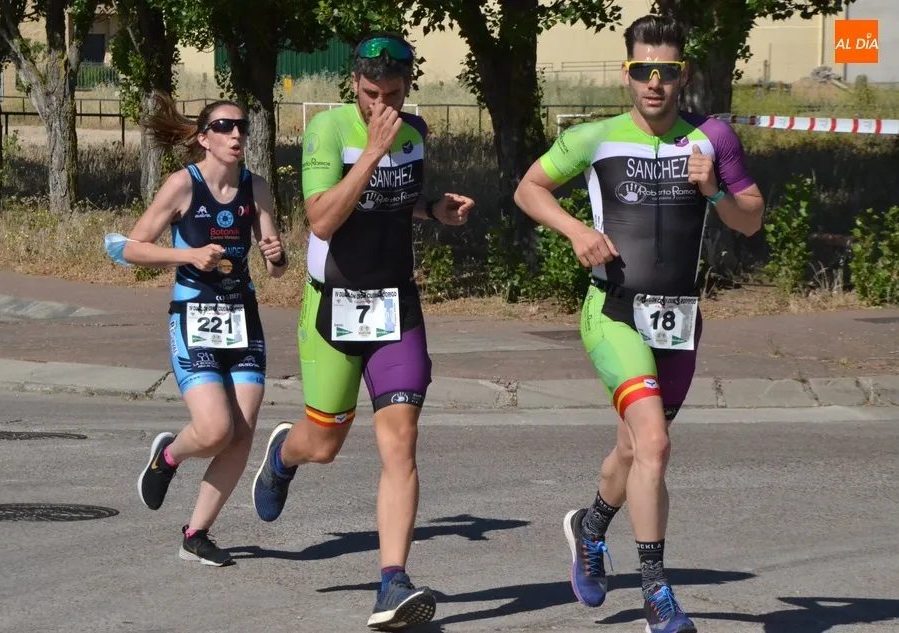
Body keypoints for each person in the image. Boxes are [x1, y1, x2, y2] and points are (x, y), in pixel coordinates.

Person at [514, 15, 764, 633]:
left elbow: (751, 218)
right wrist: (576, 231)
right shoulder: (595, 137)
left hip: (679, 320)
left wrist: (715, 191)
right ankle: (657, 593)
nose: (655, 82)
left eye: (667, 71)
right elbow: (529, 189)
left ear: (682, 74)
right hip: (614, 312)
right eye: (643, 70)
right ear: (626, 73)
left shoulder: (712, 137)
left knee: (633, 448)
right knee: (654, 443)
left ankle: (590, 527)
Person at [250, 32, 474, 630]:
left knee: (401, 441)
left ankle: (392, 582)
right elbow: (321, 220)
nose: (382, 105)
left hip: (397, 306)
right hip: (334, 306)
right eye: (372, 94)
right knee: (324, 445)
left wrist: (434, 209)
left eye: (393, 94)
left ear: (407, 88)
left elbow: (397, 203)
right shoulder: (327, 130)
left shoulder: (415, 132)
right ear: (354, 83)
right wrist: (372, 151)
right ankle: (284, 456)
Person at [108, 92, 288, 567]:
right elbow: (129, 248)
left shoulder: (256, 187)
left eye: (242, 126)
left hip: (242, 319)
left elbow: (276, 267)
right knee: (213, 430)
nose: (236, 134)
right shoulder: (182, 185)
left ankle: (196, 534)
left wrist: (277, 256)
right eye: (225, 127)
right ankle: (168, 457)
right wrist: (189, 255)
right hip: (194, 316)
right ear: (205, 138)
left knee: (242, 434)